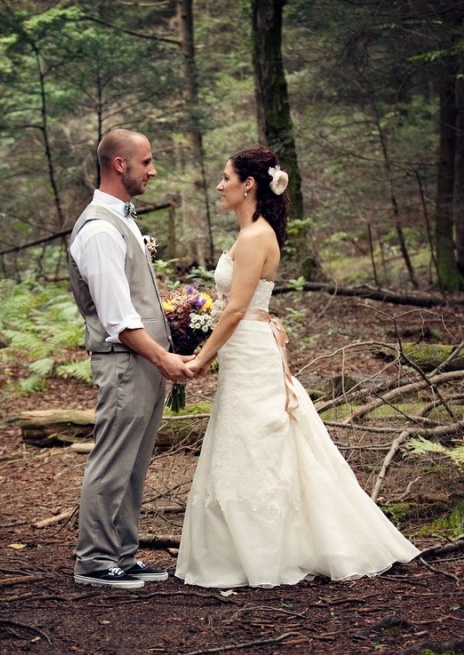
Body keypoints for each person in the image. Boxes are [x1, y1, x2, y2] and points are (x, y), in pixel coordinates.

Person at [175, 146, 420, 588]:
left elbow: (235, 311)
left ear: (248, 184)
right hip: (244, 351)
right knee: (242, 443)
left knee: (256, 446)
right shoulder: (250, 233)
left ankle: (267, 552)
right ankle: (242, 550)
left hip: (249, 351)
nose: (219, 185)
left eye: (225, 177)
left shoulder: (254, 237)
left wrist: (200, 358)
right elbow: (227, 309)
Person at [69, 128, 194, 589]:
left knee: (135, 462)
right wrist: (164, 358)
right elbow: (119, 319)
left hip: (141, 362)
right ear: (120, 165)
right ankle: (95, 561)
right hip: (124, 362)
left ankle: (122, 552)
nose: (153, 170)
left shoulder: (120, 220)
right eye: (147, 162)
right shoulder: (100, 230)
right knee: (113, 459)